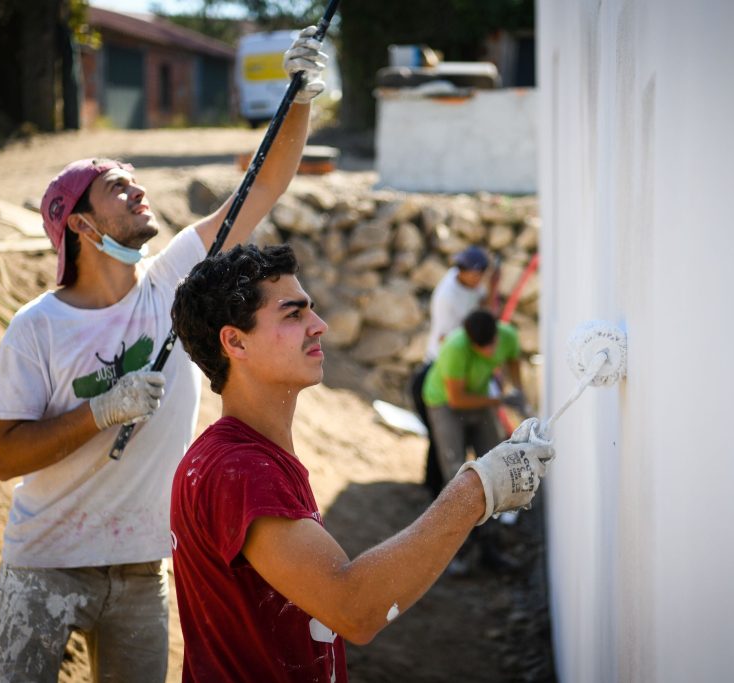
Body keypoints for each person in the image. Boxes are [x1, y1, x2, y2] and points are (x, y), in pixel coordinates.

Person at [0, 28, 328, 682]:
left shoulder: (169, 283)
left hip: (143, 568)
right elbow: (2, 457)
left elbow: (261, 188)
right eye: (116, 185)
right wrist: (100, 411)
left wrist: (300, 97)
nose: (137, 187)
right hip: (45, 562)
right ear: (80, 225)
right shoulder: (38, 328)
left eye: (134, 179)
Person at [168, 244, 555, 682]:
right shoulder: (237, 470)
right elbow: (353, 608)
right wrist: (479, 489)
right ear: (234, 340)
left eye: (310, 310)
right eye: (293, 315)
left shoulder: (246, 459)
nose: (319, 326)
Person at [421, 309, 528, 573]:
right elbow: (457, 400)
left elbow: (513, 360)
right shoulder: (455, 348)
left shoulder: (507, 336)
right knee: (455, 474)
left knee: (494, 466)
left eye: (493, 344)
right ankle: (459, 550)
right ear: (471, 343)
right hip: (444, 404)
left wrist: (517, 389)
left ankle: (490, 548)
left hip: (479, 400)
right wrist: (500, 401)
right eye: (483, 348)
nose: (491, 351)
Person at [411, 245, 494, 496]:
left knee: (443, 439)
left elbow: (480, 301)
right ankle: (436, 492)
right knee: (443, 439)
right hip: (440, 368)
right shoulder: (448, 297)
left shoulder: (471, 285)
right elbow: (448, 340)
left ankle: (435, 490)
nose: (478, 279)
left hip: (450, 367)